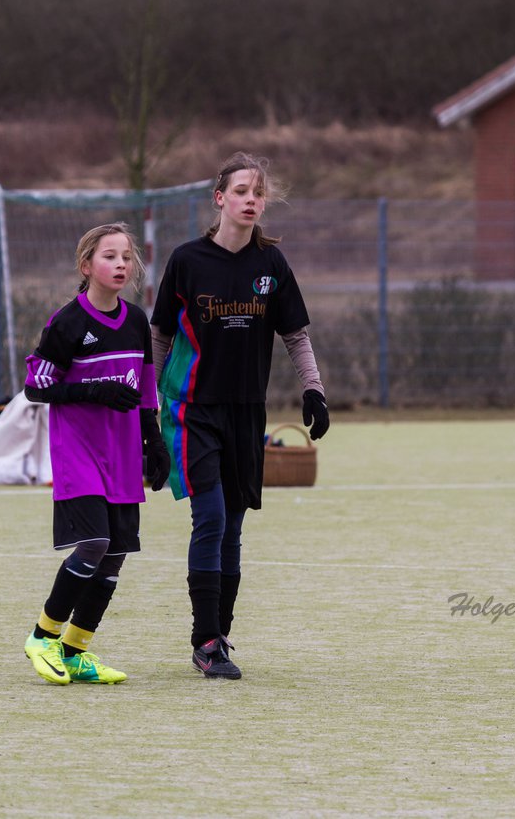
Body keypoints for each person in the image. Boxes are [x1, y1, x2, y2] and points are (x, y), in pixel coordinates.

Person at [150, 152, 330, 679]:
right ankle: (204, 640)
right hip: (192, 410)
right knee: (209, 518)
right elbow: (160, 335)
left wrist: (314, 390)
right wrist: (146, 408)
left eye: (259, 192)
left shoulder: (271, 265)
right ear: (219, 199)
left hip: (247, 414)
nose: (252, 200)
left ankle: (219, 637)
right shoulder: (187, 260)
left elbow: (294, 334)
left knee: (231, 529)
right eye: (243, 190)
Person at [21, 223, 170, 685]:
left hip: (123, 453)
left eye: (127, 256)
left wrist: (155, 442)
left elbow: (146, 389)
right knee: (95, 542)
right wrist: (95, 388)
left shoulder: (136, 321)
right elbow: (36, 386)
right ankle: (43, 637)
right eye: (110, 256)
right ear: (87, 266)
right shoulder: (66, 322)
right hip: (79, 452)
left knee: (116, 552)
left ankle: (75, 649)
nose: (121, 264)